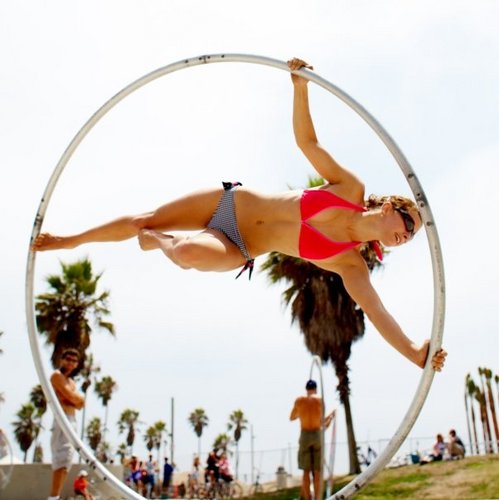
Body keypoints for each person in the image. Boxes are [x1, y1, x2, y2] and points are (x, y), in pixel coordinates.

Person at [31, 58, 447, 373]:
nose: (407, 235)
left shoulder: (350, 262)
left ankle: (156, 242)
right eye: (409, 223)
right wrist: (299, 86)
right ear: (390, 207)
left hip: (240, 245)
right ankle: (70, 240)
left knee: (188, 253)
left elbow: (376, 312)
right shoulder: (349, 189)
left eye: (411, 236)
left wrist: (415, 353)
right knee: (147, 218)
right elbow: (308, 143)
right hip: (229, 203)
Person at [48, 348, 85, 500]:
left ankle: (55, 496)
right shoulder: (57, 376)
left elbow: (80, 403)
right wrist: (73, 398)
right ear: (62, 360)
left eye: (73, 361)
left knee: (68, 459)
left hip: (72, 419)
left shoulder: (71, 381)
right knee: (62, 456)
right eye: (67, 359)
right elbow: (70, 396)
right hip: (62, 418)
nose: (70, 363)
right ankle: (53, 497)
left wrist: (73, 398)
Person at [290, 379, 335, 500]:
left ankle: (308, 498)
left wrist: (302, 412)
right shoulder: (320, 400)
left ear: (306, 389)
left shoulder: (299, 400)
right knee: (317, 471)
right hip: (316, 435)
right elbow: (322, 422)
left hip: (305, 435)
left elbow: (292, 417)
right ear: (315, 389)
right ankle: (317, 498)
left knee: (306, 471)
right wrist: (330, 417)